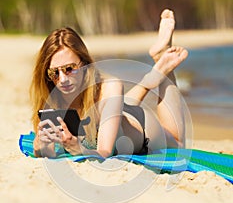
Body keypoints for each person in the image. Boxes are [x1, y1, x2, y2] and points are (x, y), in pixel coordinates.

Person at [30, 9, 188, 158]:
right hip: (116, 110)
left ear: (85, 64)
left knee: (179, 144)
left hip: (143, 130)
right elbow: (47, 153)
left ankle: (163, 66)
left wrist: (79, 149)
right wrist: (40, 145)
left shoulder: (110, 87)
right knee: (117, 103)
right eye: (54, 72)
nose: (63, 79)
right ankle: (150, 78)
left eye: (70, 69)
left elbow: (104, 153)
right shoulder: (51, 96)